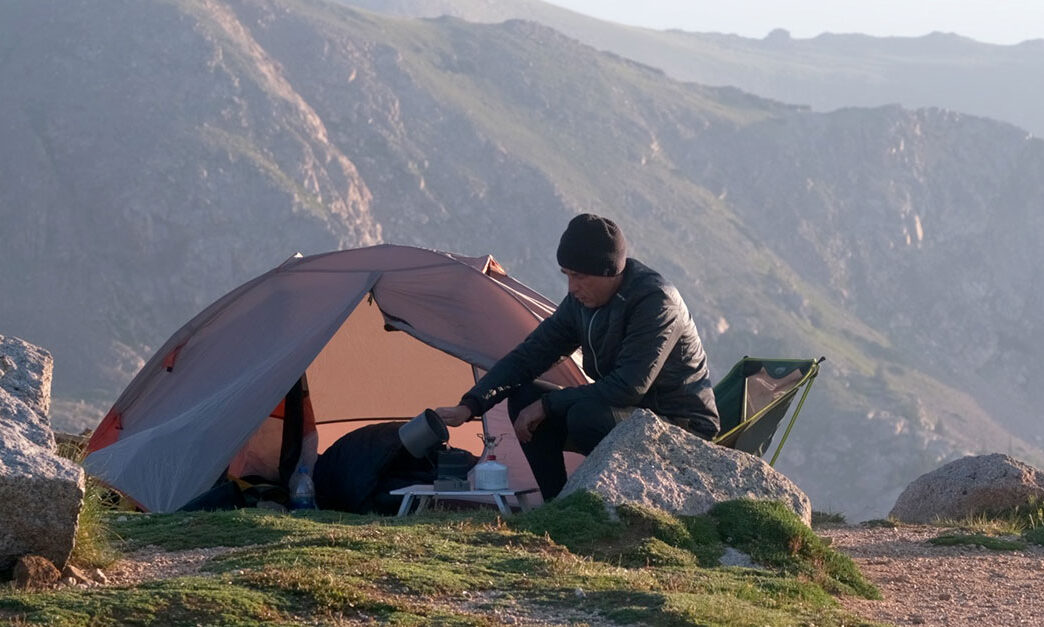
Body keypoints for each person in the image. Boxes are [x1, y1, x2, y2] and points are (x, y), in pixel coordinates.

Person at [435, 213, 719, 499]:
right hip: (629, 413)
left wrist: (548, 404)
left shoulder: (655, 301)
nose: (572, 288)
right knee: (525, 399)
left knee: (585, 416)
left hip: (682, 425)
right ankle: (558, 505)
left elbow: (628, 387)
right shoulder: (581, 303)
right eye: (567, 276)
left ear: (608, 272)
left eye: (580, 276)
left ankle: (615, 503)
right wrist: (470, 406)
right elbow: (529, 356)